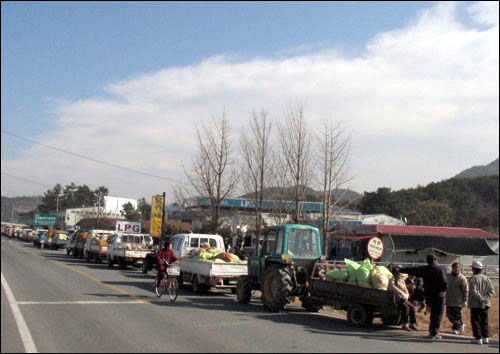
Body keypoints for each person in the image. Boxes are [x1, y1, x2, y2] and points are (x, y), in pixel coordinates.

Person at [400, 254, 448, 340]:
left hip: (429, 294)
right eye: (436, 259)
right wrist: (444, 291)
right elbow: (444, 283)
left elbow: (412, 270)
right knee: (438, 314)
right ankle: (434, 332)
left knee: (432, 313)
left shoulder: (424, 269)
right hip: (439, 294)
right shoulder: (440, 269)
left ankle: (431, 331)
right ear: (434, 260)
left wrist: (399, 269)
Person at [468, 261, 495, 345]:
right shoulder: (487, 278)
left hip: (475, 304)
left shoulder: (473, 278)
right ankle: (486, 337)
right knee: (484, 321)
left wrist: (481, 299)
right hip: (485, 304)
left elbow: (473, 291)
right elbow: (491, 290)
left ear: (475, 269)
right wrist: (486, 299)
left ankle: (478, 337)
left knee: (476, 321)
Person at [389, 267, 418, 331]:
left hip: (404, 298)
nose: (398, 273)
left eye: (399, 272)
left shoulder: (402, 280)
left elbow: (405, 289)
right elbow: (393, 288)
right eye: (397, 272)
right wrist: (402, 294)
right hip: (396, 298)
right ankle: (405, 324)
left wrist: (406, 295)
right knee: (406, 307)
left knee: (412, 307)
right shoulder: (392, 280)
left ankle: (412, 323)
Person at [446, 262, 468, 335]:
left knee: (457, 316)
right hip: (449, 300)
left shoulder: (462, 278)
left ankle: (455, 328)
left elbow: (465, 290)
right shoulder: (448, 276)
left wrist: (465, 300)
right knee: (449, 315)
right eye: (455, 267)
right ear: (452, 268)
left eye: (458, 267)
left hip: (458, 301)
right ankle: (461, 324)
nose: (457, 269)